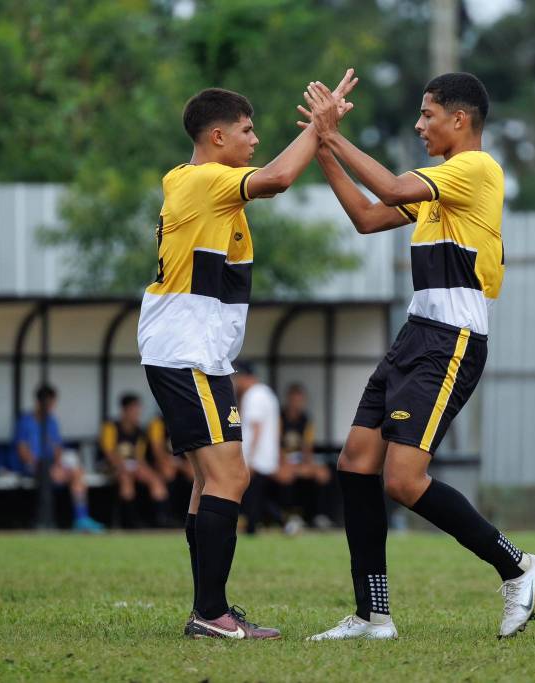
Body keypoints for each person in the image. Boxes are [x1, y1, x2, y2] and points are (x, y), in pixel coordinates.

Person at [300, 73, 535, 641]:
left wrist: (332, 134)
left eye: (427, 114)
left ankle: (517, 566)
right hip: (416, 336)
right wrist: (322, 147)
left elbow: (387, 188)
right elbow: (368, 217)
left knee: (404, 480)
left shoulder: (475, 170)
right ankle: (372, 616)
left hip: (451, 341)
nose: (419, 125)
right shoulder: (441, 190)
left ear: (459, 121)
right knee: (355, 464)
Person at [136, 70, 357, 640]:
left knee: (208, 480)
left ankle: (209, 609)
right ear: (216, 139)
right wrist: (321, 127)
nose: (255, 140)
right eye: (247, 130)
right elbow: (281, 177)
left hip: (198, 354)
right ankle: (211, 614)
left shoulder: (205, 188)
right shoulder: (202, 180)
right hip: (185, 352)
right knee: (230, 476)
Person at [15, 384, 104, 532]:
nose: (50, 407)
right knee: (51, 472)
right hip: (33, 466)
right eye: (48, 403)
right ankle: (46, 520)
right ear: (39, 402)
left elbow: (57, 448)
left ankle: (81, 519)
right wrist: (42, 466)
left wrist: (57, 465)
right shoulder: (26, 421)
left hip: (50, 465)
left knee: (77, 472)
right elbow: (23, 451)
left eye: (52, 403)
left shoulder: (51, 421)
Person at [99, 393, 169, 528]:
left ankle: (161, 520)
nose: (137, 413)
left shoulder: (139, 431)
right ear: (124, 410)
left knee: (155, 480)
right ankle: (130, 522)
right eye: (133, 409)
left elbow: (139, 457)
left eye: (138, 409)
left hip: (133, 466)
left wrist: (146, 471)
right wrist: (122, 466)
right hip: (111, 467)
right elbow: (109, 452)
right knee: (126, 479)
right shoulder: (111, 426)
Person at [234, 362, 283, 535]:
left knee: (254, 495)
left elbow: (256, 428)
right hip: (266, 455)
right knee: (258, 496)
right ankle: (276, 523)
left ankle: (266, 525)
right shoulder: (266, 393)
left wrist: (250, 458)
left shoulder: (253, 396)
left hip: (257, 456)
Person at [280, 383, 334, 529]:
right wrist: (286, 464)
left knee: (323, 473)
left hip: (299, 460)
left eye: (300, 400)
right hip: (282, 460)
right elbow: (276, 446)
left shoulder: (306, 419)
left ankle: (320, 516)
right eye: (294, 400)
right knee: (288, 474)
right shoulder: (280, 417)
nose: (297, 404)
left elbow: (307, 448)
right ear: (289, 399)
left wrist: (308, 466)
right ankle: (291, 516)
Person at [147, 414, 194, 522]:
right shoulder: (158, 423)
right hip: (161, 461)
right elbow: (157, 451)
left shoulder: (185, 421)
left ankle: (188, 515)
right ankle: (166, 515)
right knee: (168, 470)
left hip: (180, 460)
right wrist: (172, 462)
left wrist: (184, 463)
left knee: (193, 472)